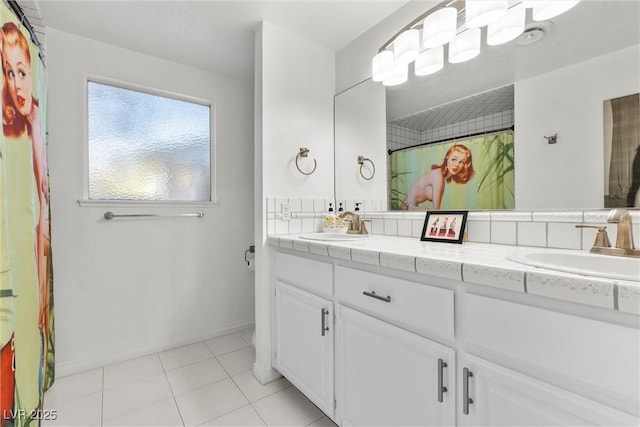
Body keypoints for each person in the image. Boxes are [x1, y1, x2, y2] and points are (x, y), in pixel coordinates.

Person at [401, 143, 475, 210]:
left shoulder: (441, 177)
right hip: (406, 208)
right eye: (454, 159)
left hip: (411, 208)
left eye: (461, 162)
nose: (456, 165)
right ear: (447, 158)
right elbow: (436, 209)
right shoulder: (438, 176)